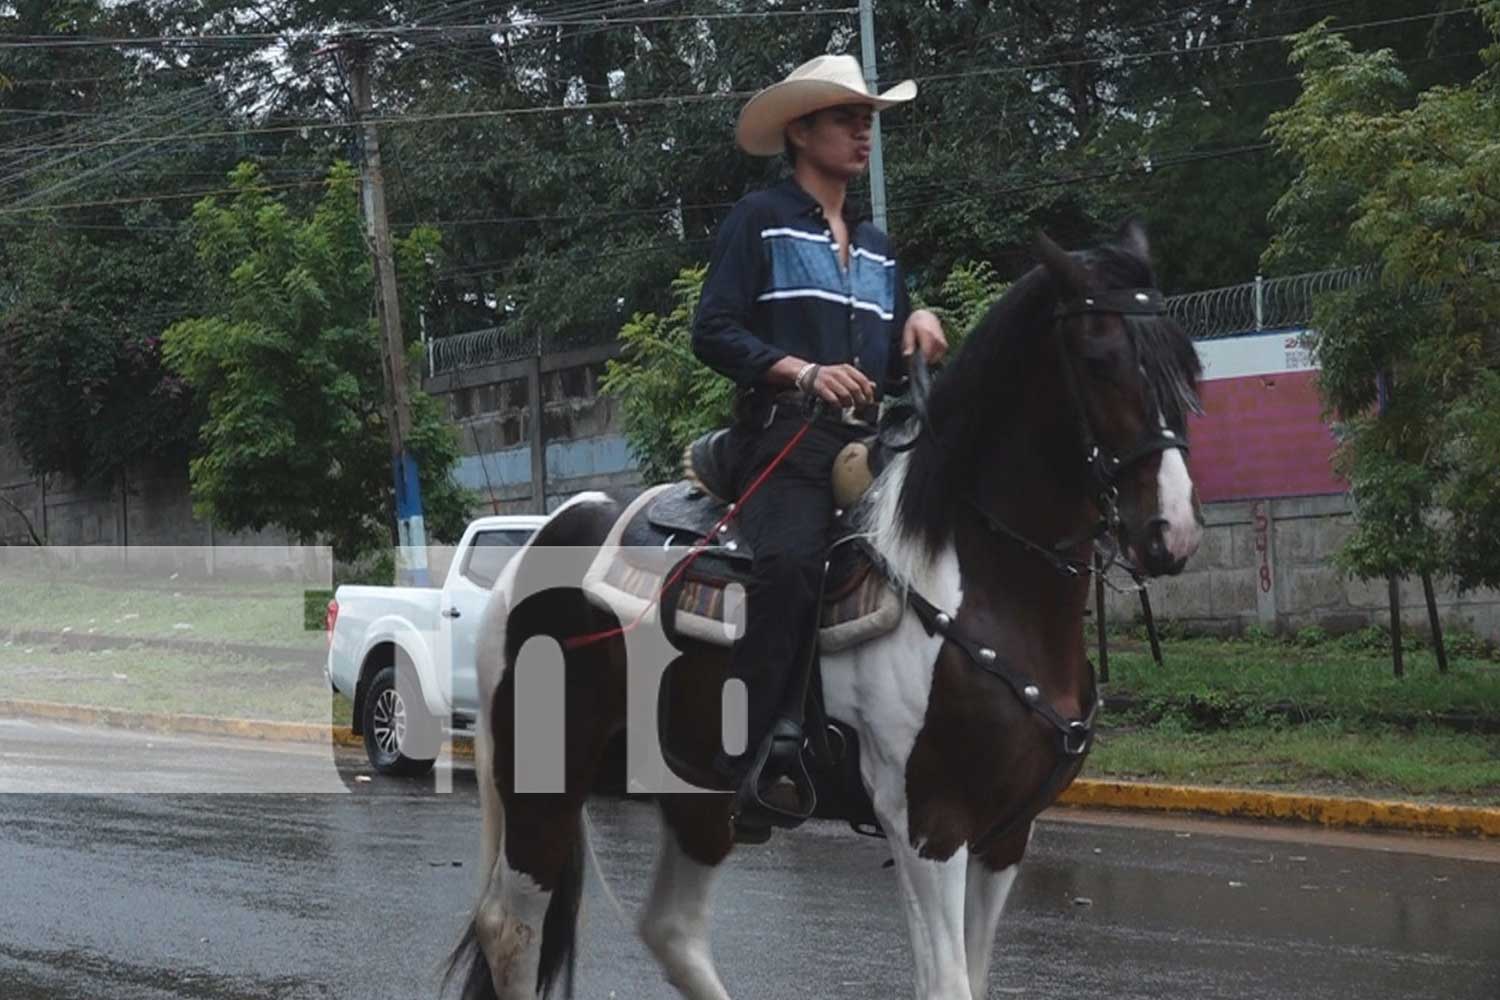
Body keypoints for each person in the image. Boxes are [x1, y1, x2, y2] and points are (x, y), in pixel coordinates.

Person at [691, 54, 948, 824]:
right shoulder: (758, 220)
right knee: (792, 567)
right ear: (800, 131)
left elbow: (894, 372)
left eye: (866, 118)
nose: (862, 131)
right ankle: (743, 760)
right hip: (781, 440)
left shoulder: (877, 246)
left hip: (869, 445)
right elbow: (714, 331)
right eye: (846, 117)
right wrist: (801, 371)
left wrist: (917, 327)